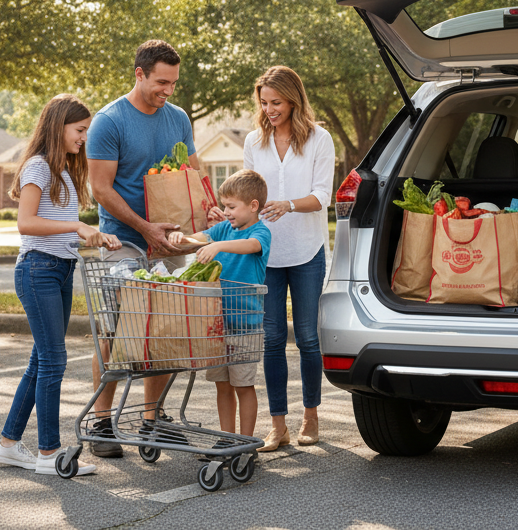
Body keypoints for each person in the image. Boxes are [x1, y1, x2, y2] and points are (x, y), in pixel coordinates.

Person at [83, 39, 201, 458]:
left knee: (167, 329)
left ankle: (152, 420)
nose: (168, 91)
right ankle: (100, 422)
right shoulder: (109, 121)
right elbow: (100, 188)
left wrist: (209, 208)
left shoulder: (178, 118)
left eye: (173, 83)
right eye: (161, 82)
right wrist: (144, 228)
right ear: (139, 73)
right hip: (124, 240)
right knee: (118, 328)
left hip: (167, 241)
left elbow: (190, 172)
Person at [0, 93, 120, 477]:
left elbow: (55, 226)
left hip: (60, 268)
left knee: (40, 360)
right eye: (80, 130)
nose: (84, 138)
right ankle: (48, 454)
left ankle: (9, 445)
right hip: (38, 270)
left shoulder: (63, 168)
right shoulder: (38, 167)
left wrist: (89, 235)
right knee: (53, 361)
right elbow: (26, 224)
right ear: (59, 125)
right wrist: (76, 226)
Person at [241, 66, 335, 451]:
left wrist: (289, 205)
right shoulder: (253, 141)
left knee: (309, 339)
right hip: (266, 253)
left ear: (293, 99)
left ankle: (310, 415)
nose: (269, 110)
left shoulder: (319, 139)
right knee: (273, 338)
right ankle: (277, 425)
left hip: (307, 250)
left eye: (276, 102)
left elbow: (322, 197)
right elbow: (248, 192)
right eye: (264, 103)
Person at [169, 169, 272, 438]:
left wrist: (219, 246)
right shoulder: (224, 229)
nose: (226, 212)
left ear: (253, 206)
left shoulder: (260, 232)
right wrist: (183, 239)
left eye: (231, 207)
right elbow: (201, 238)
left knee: (243, 387)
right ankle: (227, 439)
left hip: (245, 326)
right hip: (216, 324)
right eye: (224, 205)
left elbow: (250, 246)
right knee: (222, 386)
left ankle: (245, 442)